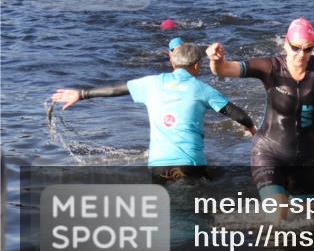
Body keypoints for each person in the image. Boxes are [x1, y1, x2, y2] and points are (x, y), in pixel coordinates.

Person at [207, 18, 314, 217]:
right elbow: (224, 69)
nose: (301, 55)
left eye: (308, 49)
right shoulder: (270, 67)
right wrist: (216, 61)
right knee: (279, 215)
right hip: (269, 151)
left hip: (306, 157)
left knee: (311, 222)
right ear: (286, 44)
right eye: (296, 48)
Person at [50, 43, 256, 182]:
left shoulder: (150, 83)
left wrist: (81, 93)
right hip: (190, 165)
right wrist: (253, 129)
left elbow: (115, 90)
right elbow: (237, 114)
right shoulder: (202, 88)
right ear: (197, 66)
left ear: (173, 63)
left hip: (157, 165)